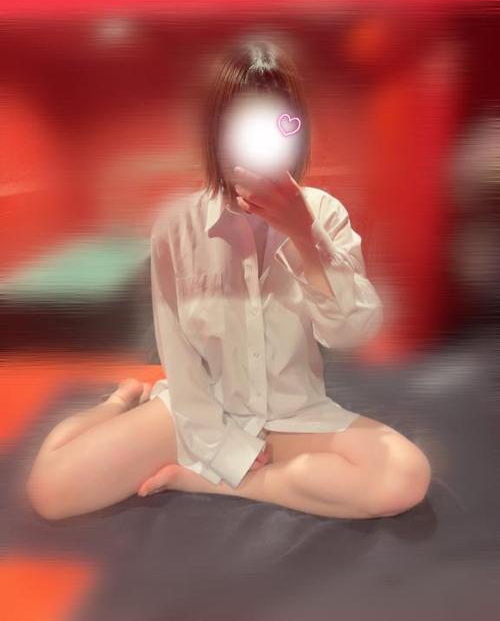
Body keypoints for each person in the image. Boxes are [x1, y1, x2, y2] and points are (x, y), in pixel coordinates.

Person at [25, 37, 431, 521]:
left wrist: (305, 237)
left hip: (291, 415)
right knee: (51, 491)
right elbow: (178, 356)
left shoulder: (323, 214)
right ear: (215, 134)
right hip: (199, 414)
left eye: (275, 125)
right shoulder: (176, 227)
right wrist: (219, 447)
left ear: (294, 131)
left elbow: (353, 331)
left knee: (403, 475)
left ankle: (208, 483)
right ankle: (119, 400)